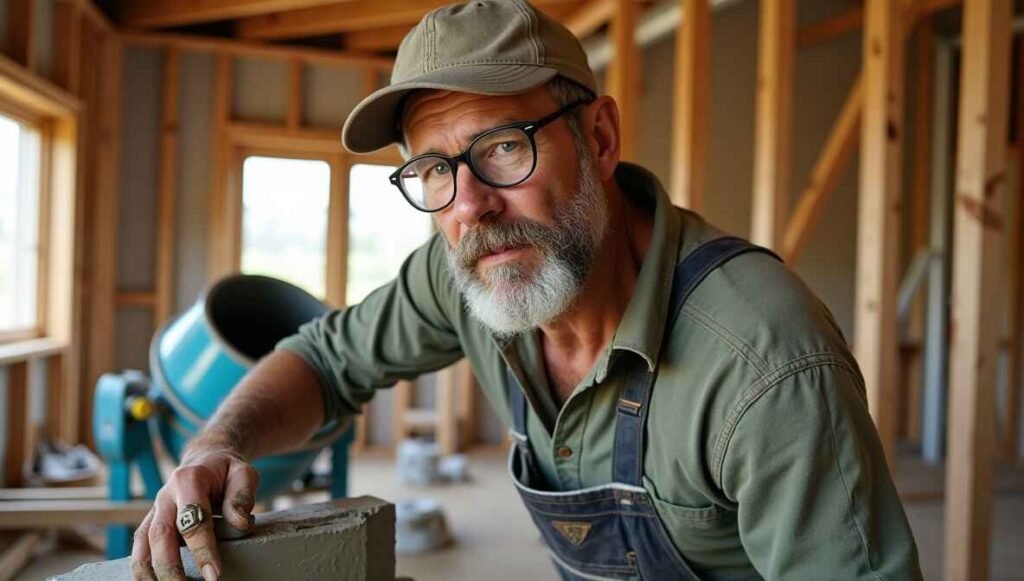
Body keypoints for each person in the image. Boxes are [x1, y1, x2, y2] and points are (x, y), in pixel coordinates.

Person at [130, 1, 922, 579]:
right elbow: (324, 359)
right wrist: (215, 446)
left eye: (504, 148)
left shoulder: (764, 363)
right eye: (435, 170)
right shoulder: (472, 269)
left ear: (600, 139)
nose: (471, 205)